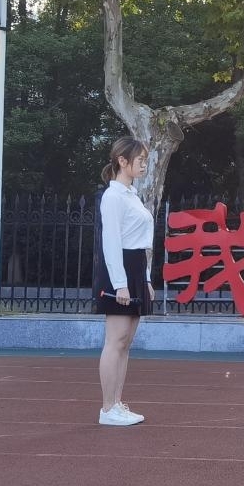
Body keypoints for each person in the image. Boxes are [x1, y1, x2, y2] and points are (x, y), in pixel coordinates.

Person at [94, 136, 155, 426]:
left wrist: (146, 278)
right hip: (119, 270)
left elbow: (141, 241)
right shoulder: (113, 196)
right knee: (115, 340)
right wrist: (120, 283)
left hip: (135, 267)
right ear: (122, 161)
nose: (144, 165)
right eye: (140, 160)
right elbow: (111, 242)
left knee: (126, 342)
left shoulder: (132, 195)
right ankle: (107, 409)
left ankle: (117, 403)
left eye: (145, 160)